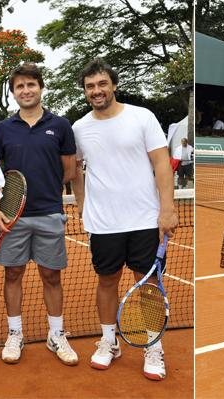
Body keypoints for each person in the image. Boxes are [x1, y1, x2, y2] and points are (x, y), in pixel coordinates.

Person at [72, 59, 178, 381]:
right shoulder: (79, 128)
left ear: (113, 85)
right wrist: (82, 205)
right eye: (90, 86)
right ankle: (108, 341)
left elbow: (161, 163)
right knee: (106, 282)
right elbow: (75, 170)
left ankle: (152, 346)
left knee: (145, 284)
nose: (97, 91)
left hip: (145, 219)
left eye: (102, 84)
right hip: (104, 223)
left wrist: (168, 209)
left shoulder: (142, 117)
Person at [0, 63, 79, 366]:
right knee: (13, 274)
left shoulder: (61, 125)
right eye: (20, 87)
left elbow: (69, 169)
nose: (26, 91)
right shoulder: (2, 130)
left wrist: (48, 190)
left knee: (51, 276)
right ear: (13, 93)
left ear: (40, 87)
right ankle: (15, 334)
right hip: (12, 217)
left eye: (31, 85)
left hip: (50, 214)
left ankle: (56, 334)